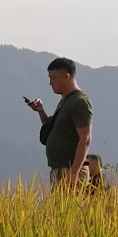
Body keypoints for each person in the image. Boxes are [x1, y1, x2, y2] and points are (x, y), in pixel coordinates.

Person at [24, 57, 93, 187]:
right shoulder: (66, 100)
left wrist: (73, 174)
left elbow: (85, 138)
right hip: (60, 170)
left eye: (53, 78)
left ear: (66, 76)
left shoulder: (80, 101)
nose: (50, 83)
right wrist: (41, 111)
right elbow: (57, 129)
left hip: (70, 170)